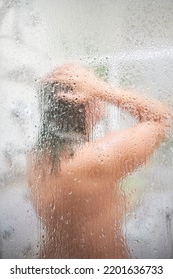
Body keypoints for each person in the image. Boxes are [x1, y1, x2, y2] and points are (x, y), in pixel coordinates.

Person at [28, 63, 172, 259]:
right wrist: (101, 88)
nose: (96, 92)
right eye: (89, 86)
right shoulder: (93, 159)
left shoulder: (36, 159)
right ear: (81, 101)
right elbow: (164, 119)